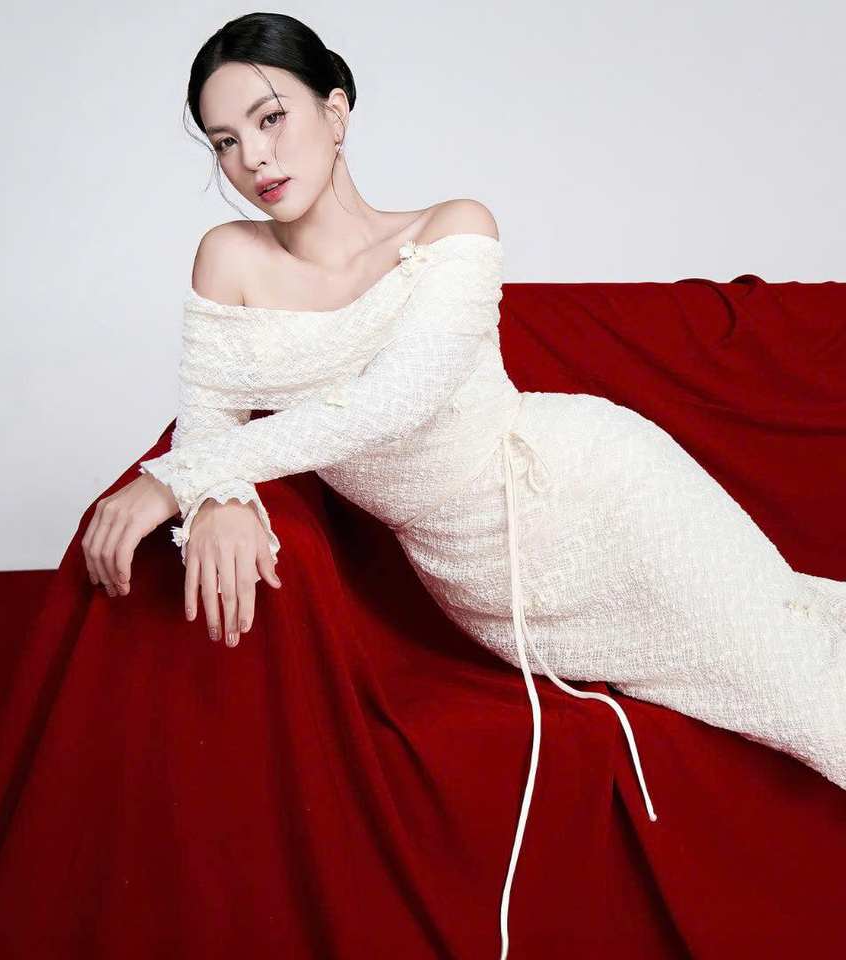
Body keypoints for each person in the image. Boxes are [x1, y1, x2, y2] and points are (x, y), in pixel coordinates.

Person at [81, 12, 846, 960]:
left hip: (602, 496)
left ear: (336, 110)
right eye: (225, 141)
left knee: (806, 685)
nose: (253, 158)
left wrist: (179, 479)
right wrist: (219, 496)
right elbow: (210, 418)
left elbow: (391, 405)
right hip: (487, 585)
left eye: (271, 118)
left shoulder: (454, 228)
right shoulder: (229, 259)